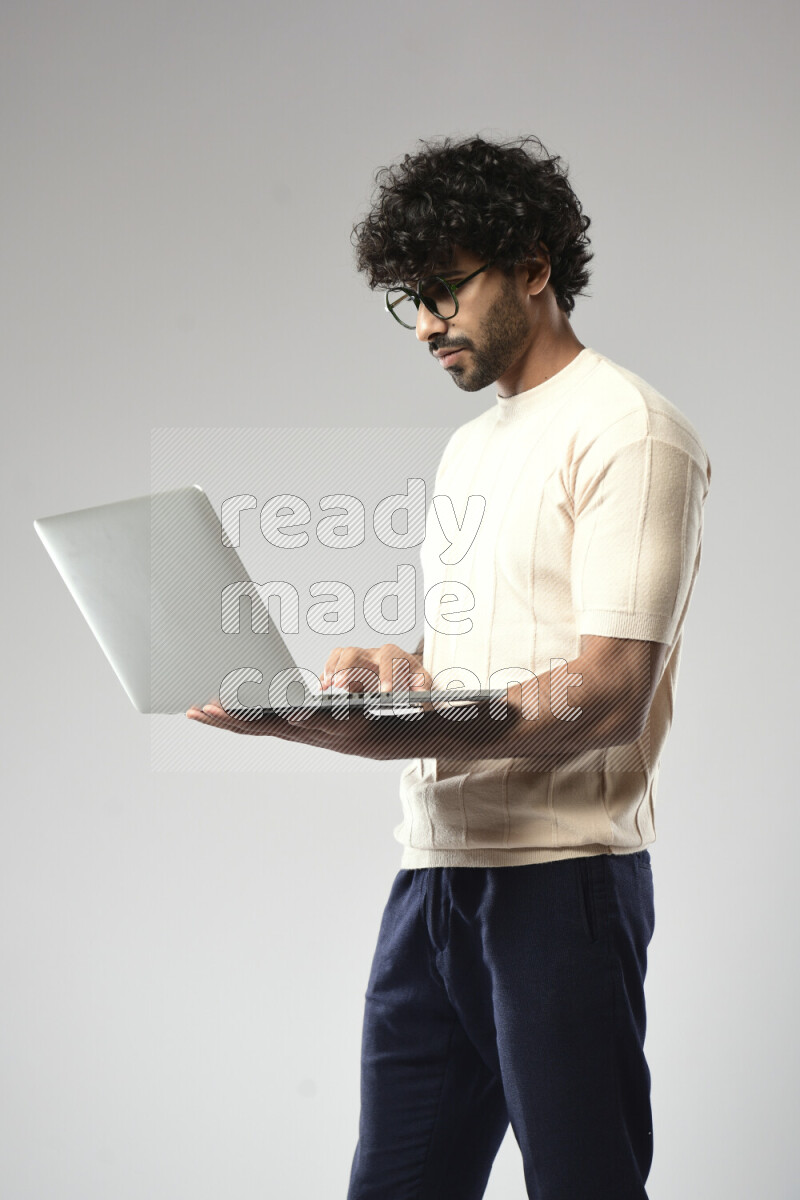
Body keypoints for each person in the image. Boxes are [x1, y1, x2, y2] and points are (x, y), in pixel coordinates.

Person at [188, 134, 712, 1199]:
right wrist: (399, 678)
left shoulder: (630, 431)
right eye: (407, 298)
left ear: (532, 266)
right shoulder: (475, 444)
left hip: (559, 884)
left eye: (442, 290)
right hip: (433, 880)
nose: (424, 323)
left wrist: (382, 734)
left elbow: (605, 695)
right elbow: (503, 654)